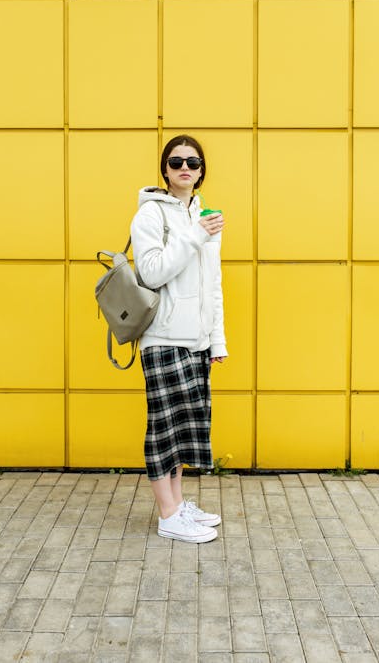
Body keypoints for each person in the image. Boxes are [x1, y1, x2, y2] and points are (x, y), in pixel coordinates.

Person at [130, 135, 228, 543]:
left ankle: (178, 503)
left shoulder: (204, 214)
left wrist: (217, 339)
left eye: (192, 161)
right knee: (163, 428)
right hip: (163, 335)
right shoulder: (150, 215)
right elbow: (151, 273)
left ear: (202, 169)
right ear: (164, 170)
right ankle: (167, 514)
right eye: (175, 162)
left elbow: (213, 284)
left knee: (184, 427)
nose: (184, 168)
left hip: (196, 339)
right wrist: (193, 236)